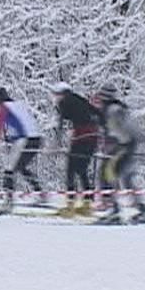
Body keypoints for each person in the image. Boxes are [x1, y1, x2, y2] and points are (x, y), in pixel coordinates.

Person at [94, 83, 145, 224]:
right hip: (125, 145)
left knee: (106, 174)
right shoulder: (114, 108)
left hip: (123, 146)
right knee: (124, 178)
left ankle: (113, 211)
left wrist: (111, 142)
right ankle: (140, 210)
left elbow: (119, 130)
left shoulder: (113, 110)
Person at [0, 87, 45, 213]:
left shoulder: (3, 108)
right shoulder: (18, 105)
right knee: (20, 167)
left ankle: (8, 202)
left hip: (24, 139)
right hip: (36, 138)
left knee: (9, 169)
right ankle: (40, 193)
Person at [50, 81, 101, 217]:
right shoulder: (80, 99)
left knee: (71, 169)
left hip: (81, 138)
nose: (55, 98)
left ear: (61, 94)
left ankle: (70, 204)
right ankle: (88, 203)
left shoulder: (64, 102)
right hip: (93, 137)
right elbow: (98, 113)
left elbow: (61, 123)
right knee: (81, 169)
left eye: (56, 95)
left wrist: (56, 143)